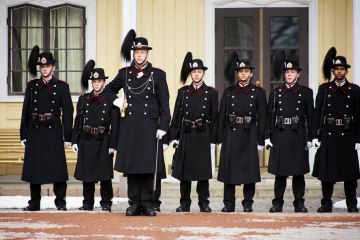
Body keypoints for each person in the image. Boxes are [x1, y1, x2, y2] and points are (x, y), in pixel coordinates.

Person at [103, 29, 170, 216]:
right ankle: (133, 203)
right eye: (137, 52)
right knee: (132, 167)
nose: (139, 55)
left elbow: (165, 103)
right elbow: (108, 90)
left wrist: (164, 127)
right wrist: (117, 101)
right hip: (130, 126)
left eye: (142, 52)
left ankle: (148, 203)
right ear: (133, 53)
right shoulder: (124, 73)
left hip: (150, 127)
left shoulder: (157, 74)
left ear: (147, 53)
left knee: (148, 167)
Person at [20, 45, 73, 211]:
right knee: (34, 168)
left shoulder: (62, 86)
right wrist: (23, 134)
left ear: (53, 67)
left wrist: (68, 136)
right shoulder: (32, 86)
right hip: (35, 130)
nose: (44, 69)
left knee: (57, 168)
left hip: (53, 130)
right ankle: (34, 203)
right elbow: (26, 110)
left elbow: (69, 112)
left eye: (47, 66)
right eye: (42, 67)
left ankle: (61, 202)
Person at [312, 47, 360, 213]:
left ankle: (352, 203)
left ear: (346, 71)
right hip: (329, 133)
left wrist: (358, 139)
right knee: (327, 172)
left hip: (347, 134)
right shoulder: (324, 89)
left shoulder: (355, 90)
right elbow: (317, 113)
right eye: (336, 69)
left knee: (350, 173)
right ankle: (326, 202)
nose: (339, 71)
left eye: (342, 69)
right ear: (332, 71)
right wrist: (314, 136)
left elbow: (358, 116)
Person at [217, 52, 267, 212]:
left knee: (249, 171)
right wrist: (218, 137)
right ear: (237, 73)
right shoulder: (229, 91)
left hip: (250, 132)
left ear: (251, 73)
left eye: (246, 71)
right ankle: (228, 203)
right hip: (231, 133)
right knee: (229, 170)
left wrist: (261, 140)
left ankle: (248, 203)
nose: (243, 73)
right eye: (240, 71)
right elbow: (221, 115)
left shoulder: (258, 92)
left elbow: (263, 118)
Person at [169, 52, 218, 213]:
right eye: (193, 72)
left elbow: (214, 117)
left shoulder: (211, 93)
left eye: (199, 72)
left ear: (203, 73)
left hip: (203, 135)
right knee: (185, 173)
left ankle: (204, 202)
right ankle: (185, 203)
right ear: (190, 74)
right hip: (186, 134)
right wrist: (174, 137)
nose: (196, 74)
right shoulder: (182, 92)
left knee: (203, 172)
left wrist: (212, 139)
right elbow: (176, 115)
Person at [265, 54, 314, 213]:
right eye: (287, 72)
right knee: (280, 173)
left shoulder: (306, 92)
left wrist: (311, 137)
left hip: (298, 134)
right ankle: (277, 203)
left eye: (292, 72)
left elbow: (311, 116)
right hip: (280, 134)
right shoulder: (276, 93)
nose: (289, 74)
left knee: (298, 173)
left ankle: (299, 203)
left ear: (298, 74)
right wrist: (267, 136)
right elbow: (269, 116)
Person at [72, 60, 119, 212]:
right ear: (91, 82)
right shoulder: (84, 99)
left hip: (103, 139)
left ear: (104, 82)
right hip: (86, 140)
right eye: (94, 81)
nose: (97, 84)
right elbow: (78, 120)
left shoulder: (110, 99)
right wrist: (75, 140)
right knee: (87, 175)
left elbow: (116, 124)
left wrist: (113, 144)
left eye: (99, 81)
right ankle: (88, 203)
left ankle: (106, 203)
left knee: (105, 175)